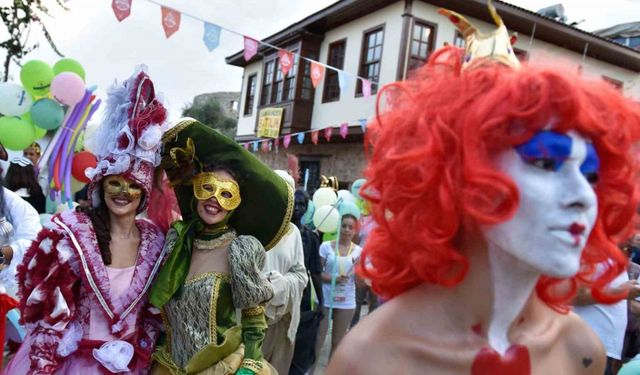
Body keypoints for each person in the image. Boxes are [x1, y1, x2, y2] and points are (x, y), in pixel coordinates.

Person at [326, 3, 640, 375]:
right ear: (460, 176)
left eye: (590, 175)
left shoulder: (579, 350)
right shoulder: (373, 359)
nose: (584, 196)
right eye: (545, 163)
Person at [4, 67, 168, 374]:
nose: (123, 192)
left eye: (134, 185)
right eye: (115, 182)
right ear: (100, 184)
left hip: (132, 365)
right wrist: (43, 364)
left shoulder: (156, 242)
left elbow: (152, 313)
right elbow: (45, 310)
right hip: (72, 364)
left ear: (144, 193)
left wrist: (143, 354)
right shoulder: (71, 235)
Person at [150, 118, 294, 375]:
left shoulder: (240, 249)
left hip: (219, 368)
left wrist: (250, 364)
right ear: (196, 190)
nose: (214, 200)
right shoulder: (179, 240)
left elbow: (253, 317)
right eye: (208, 188)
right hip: (168, 366)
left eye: (226, 194)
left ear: (236, 203)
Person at [261, 171, 307, 375]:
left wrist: (281, 285)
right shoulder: (250, 225)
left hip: (282, 320)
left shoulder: (293, 232)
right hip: (249, 319)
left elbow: (300, 275)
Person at [313, 214, 362, 369]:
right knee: (318, 340)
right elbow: (317, 273)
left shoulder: (359, 252)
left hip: (346, 300)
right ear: (338, 226)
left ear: (355, 231)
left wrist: (360, 271)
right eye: (344, 225)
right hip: (326, 298)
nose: (347, 230)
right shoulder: (325, 246)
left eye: (351, 227)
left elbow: (361, 283)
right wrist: (333, 278)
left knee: (338, 343)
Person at [289, 189, 324, 375]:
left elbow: (316, 272)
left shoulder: (310, 238)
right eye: (295, 203)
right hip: (282, 293)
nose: (297, 208)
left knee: (300, 341)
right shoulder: (279, 233)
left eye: (302, 204)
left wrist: (322, 302)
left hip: (302, 297)